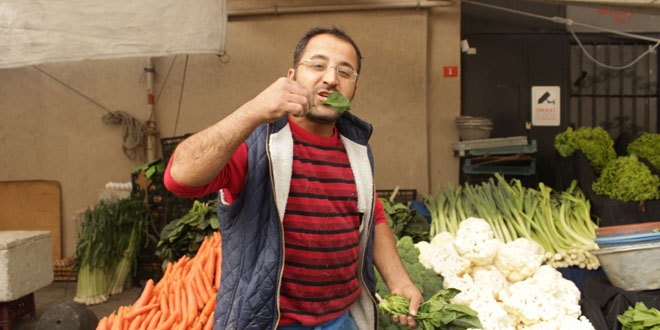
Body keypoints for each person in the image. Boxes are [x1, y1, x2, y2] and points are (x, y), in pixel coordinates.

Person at [164, 26, 422, 330]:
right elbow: (179, 178)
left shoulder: (357, 149)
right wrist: (256, 110)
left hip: (342, 320)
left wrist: (399, 280)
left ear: (354, 88)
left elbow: (372, 215)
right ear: (291, 77)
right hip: (270, 322)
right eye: (317, 65)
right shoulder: (257, 145)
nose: (330, 78)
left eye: (345, 71)